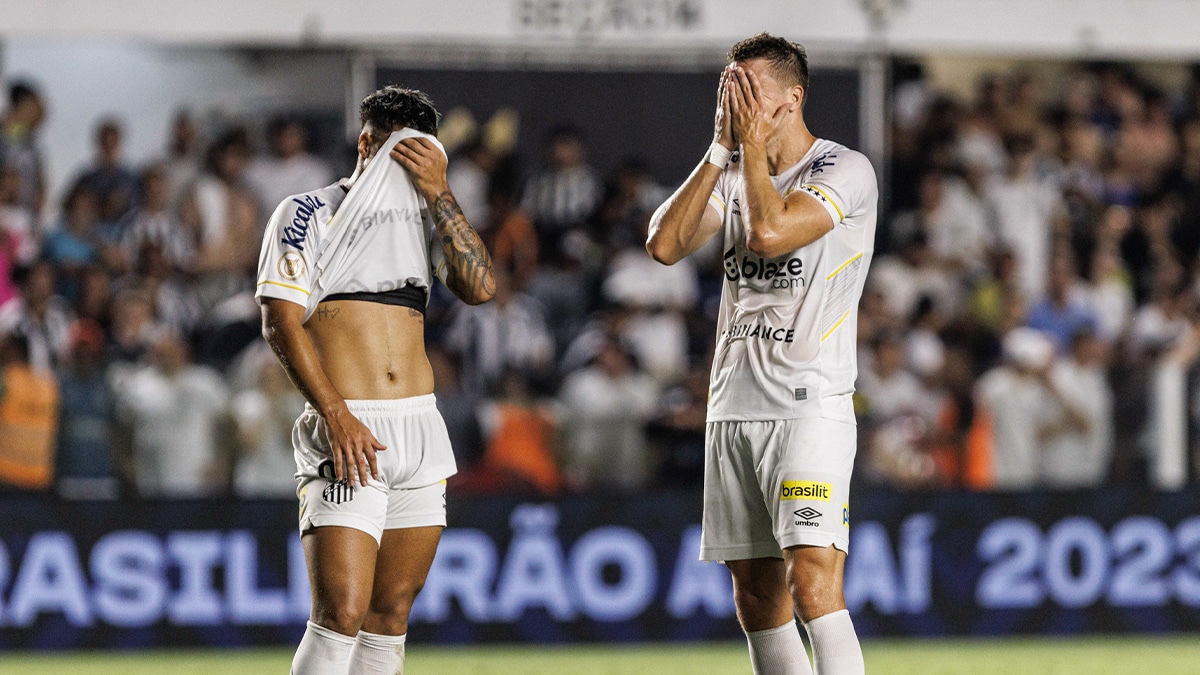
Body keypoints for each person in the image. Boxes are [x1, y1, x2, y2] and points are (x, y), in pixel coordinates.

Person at [646, 33, 877, 675]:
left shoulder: (844, 168)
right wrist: (721, 148)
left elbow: (771, 232)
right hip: (732, 405)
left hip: (808, 406)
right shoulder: (734, 173)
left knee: (812, 582)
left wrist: (745, 149)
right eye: (729, 87)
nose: (736, 99)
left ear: (792, 97)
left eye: (750, 89)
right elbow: (664, 245)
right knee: (757, 598)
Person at [255, 85, 495, 675]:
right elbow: (280, 322)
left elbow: (481, 287)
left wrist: (440, 191)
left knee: (389, 615)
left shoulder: (424, 217)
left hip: (418, 429)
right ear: (367, 144)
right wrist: (336, 416)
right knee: (340, 613)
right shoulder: (307, 211)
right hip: (348, 424)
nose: (407, 168)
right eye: (399, 153)